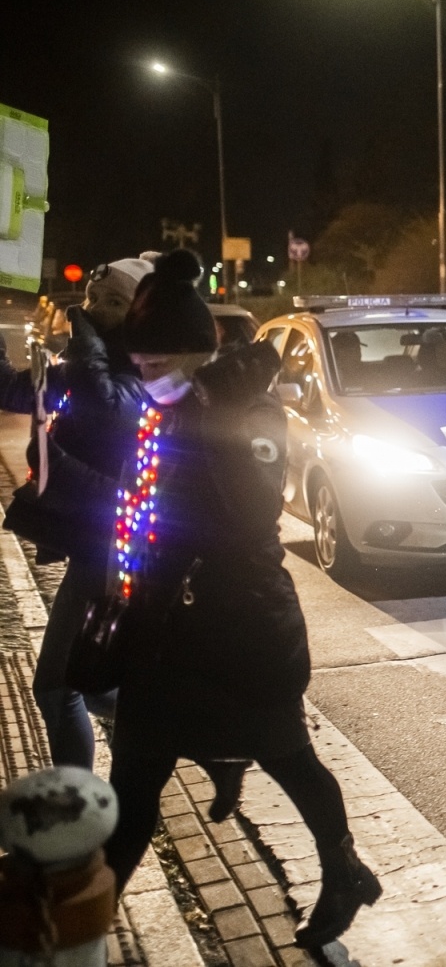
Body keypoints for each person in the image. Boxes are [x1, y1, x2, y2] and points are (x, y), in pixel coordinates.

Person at [99, 250, 380, 947]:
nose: (146, 377)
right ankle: (87, 922)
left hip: (241, 629)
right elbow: (146, 501)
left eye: (158, 364)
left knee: (292, 759)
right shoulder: (164, 408)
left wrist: (203, 424)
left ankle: (343, 870)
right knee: (133, 783)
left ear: (197, 355)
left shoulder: (248, 410)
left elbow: (254, 515)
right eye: (140, 364)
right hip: (162, 633)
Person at [0, 256, 155, 768]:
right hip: (94, 542)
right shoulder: (86, 366)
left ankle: (77, 816)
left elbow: (110, 406)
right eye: (93, 299)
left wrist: (83, 333)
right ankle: (177, 721)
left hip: (116, 548)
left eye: (114, 302)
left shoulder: (143, 371)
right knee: (89, 688)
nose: (94, 310)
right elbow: (13, 391)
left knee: (56, 688)